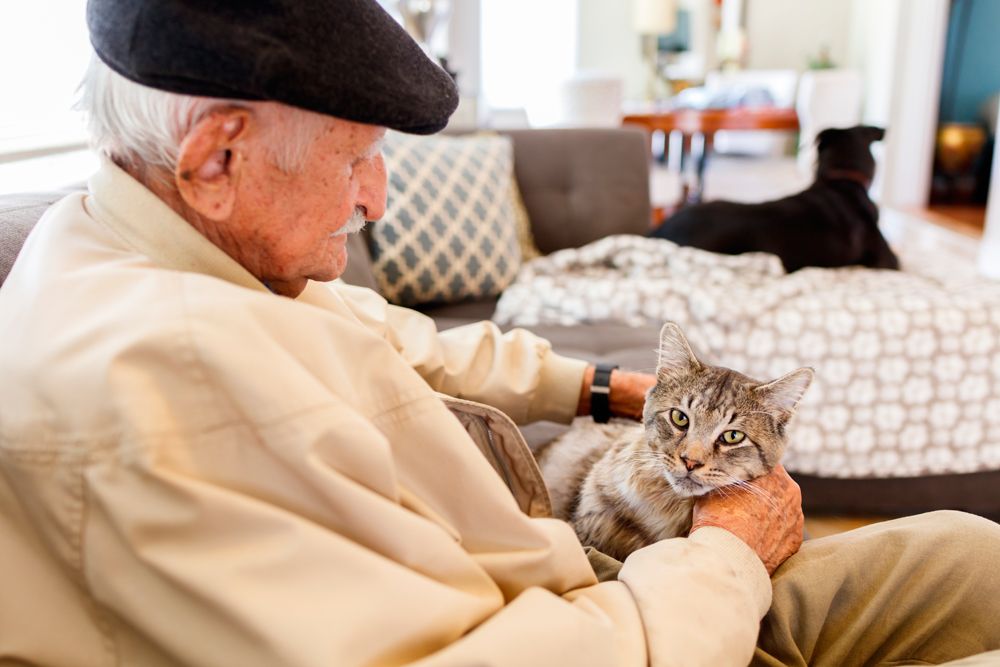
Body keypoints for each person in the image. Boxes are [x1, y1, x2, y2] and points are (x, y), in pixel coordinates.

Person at [0, 1, 999, 665]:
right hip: (606, 625)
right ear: (216, 156)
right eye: (354, 159)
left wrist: (602, 387)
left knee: (969, 547)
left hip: (588, 592)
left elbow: (395, 336)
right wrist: (730, 553)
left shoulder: (163, 245)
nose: (375, 198)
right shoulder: (174, 387)